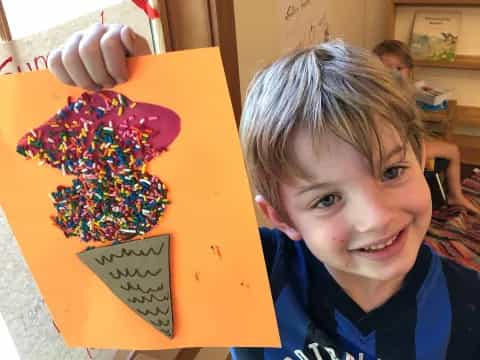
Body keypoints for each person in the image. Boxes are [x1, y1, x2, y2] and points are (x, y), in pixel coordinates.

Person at [48, 24, 480, 359]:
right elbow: (141, 292)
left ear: (420, 156)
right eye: (326, 199)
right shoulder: (251, 272)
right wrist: (127, 89)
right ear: (281, 217)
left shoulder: (469, 307)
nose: (376, 217)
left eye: (391, 171)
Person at [373, 39, 479, 215]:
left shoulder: (398, 92)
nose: (393, 74)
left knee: (444, 147)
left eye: (398, 69)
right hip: (399, 151)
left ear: (410, 71)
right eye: (386, 69)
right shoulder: (387, 97)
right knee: (452, 150)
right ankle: (456, 196)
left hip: (402, 145)